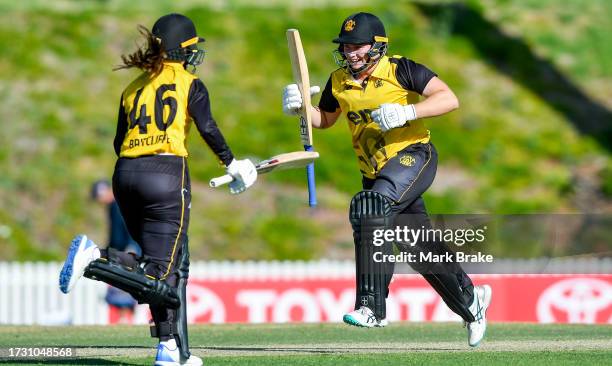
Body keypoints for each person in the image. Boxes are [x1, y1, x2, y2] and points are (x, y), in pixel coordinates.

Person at [282, 12, 492, 347]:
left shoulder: (401, 69)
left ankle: (371, 307)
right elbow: (325, 120)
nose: (351, 52)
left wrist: (409, 111)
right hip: (375, 173)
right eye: (346, 46)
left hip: (414, 156)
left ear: (377, 46)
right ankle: (471, 302)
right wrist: (300, 109)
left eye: (357, 45)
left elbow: (448, 98)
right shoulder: (339, 80)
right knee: (418, 246)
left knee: (370, 209)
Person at [59, 13, 257, 365]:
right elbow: (207, 127)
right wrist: (232, 163)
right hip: (165, 174)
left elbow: (120, 141)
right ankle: (96, 257)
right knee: (159, 273)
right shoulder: (188, 81)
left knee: (167, 264)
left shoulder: (133, 86)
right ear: (183, 50)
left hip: (126, 173)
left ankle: (171, 349)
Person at [91, 179, 141, 324]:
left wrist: (130, 246)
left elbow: (126, 229)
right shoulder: (116, 205)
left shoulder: (119, 205)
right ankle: (125, 317)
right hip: (122, 249)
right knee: (123, 283)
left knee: (125, 283)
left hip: (126, 249)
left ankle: (125, 318)